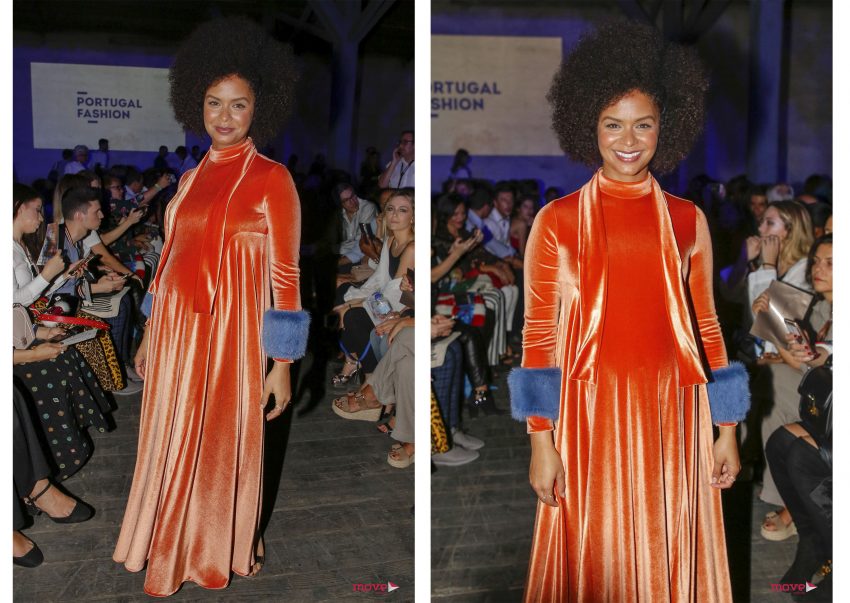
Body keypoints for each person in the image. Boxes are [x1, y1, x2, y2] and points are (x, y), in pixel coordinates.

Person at [507, 23, 749, 601]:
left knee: (670, 550)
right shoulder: (558, 220)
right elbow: (538, 337)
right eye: (612, 123)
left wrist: (727, 429)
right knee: (601, 559)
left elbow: (708, 327)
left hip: (676, 413)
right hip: (590, 418)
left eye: (644, 123)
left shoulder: (688, 219)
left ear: (667, 127)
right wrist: (541, 442)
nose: (629, 139)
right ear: (588, 126)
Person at [112, 18, 307, 596]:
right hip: (176, 332)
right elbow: (170, 259)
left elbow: (286, 276)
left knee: (221, 442)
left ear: (258, 109)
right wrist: (150, 331)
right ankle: (169, 537)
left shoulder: (273, 179)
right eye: (214, 102)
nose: (224, 116)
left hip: (230, 336)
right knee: (171, 437)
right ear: (196, 104)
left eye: (238, 104)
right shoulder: (190, 177)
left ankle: (225, 539)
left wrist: (282, 363)